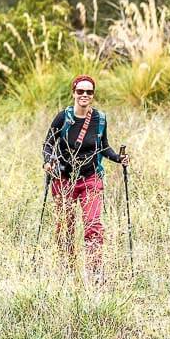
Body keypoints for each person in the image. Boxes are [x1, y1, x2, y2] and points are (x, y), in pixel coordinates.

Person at [41, 74, 128, 281]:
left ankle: (95, 272)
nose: (84, 95)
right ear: (73, 93)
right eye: (80, 91)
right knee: (65, 227)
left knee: (93, 225)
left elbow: (103, 146)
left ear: (93, 95)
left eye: (89, 92)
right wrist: (48, 162)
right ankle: (67, 270)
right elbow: (48, 144)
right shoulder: (63, 118)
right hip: (64, 180)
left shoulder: (100, 119)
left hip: (91, 179)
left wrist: (118, 158)